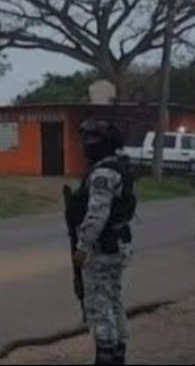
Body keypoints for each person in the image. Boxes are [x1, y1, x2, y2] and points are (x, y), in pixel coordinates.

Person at [70, 120, 135, 366]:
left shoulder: (103, 173)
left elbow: (97, 213)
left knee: (99, 304)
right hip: (117, 243)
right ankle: (118, 354)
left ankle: (106, 355)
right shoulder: (118, 166)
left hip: (103, 247)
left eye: (89, 141)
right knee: (114, 299)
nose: (85, 146)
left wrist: (82, 246)